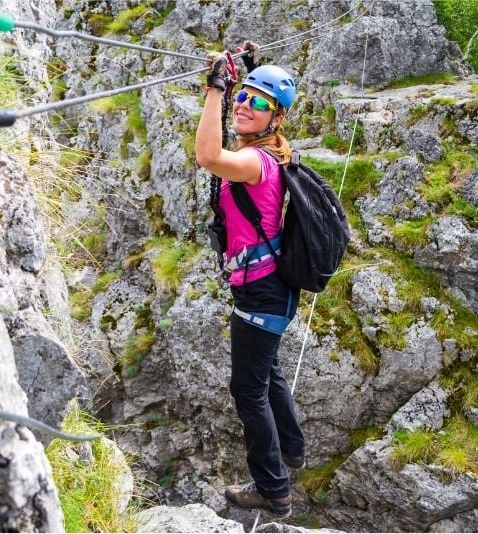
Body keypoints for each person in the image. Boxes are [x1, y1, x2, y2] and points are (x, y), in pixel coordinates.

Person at [194, 43, 305, 519]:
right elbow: (248, 126)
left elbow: (207, 155)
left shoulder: (254, 163)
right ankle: (293, 449)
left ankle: (273, 488)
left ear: (275, 118)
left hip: (260, 291)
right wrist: (253, 75)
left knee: (248, 389)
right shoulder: (270, 153)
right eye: (244, 96)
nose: (245, 105)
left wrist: (217, 89)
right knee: (269, 372)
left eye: (258, 103)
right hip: (271, 288)